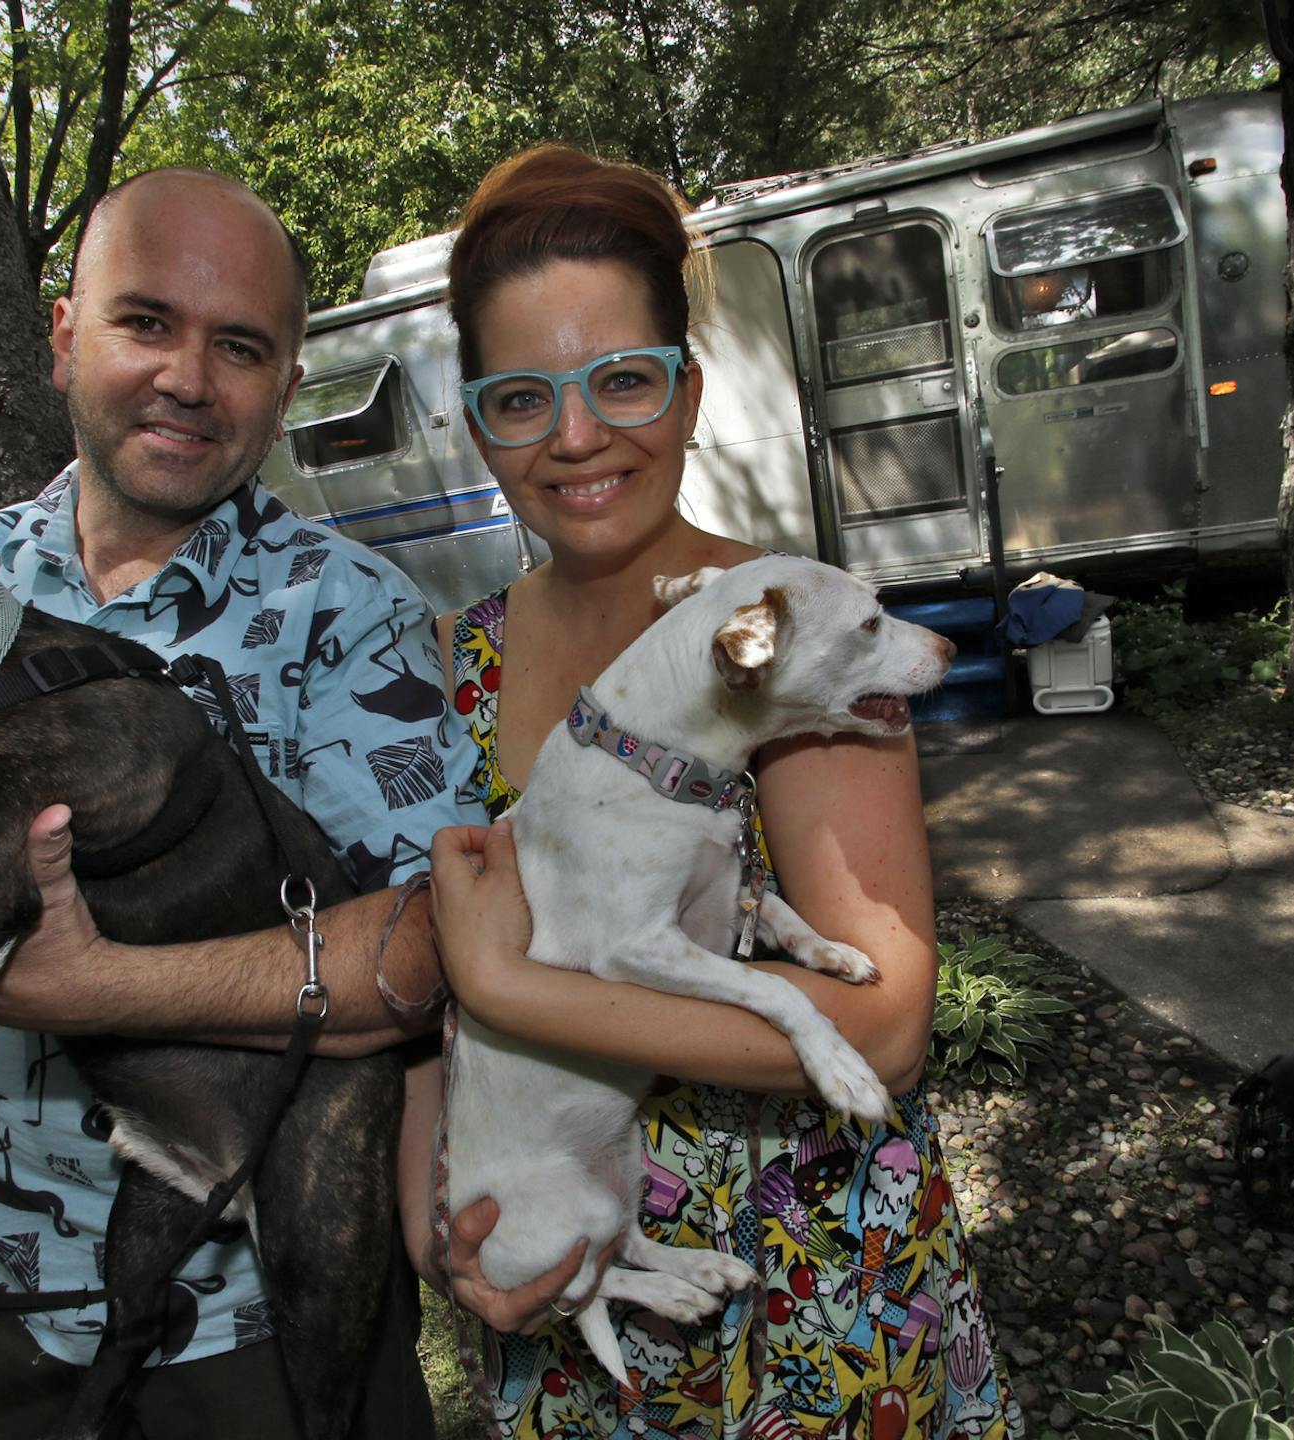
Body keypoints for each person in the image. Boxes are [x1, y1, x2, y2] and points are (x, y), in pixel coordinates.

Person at [407, 146, 1021, 1439]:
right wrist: (439, 1220)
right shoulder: (451, 668)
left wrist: (513, 987)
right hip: (574, 1288)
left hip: (810, 1293)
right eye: (523, 399)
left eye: (622, 380)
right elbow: (426, 1001)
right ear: (477, 424)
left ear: (689, 393)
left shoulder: (790, 633)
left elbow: (890, 1020)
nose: (576, 438)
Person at [0, 166, 479, 1438]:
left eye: (240, 346)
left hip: (274, 1323)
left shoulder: (347, 610)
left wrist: (81, 987)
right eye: (145, 321)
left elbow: (427, 946)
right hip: (13, 1296)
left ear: (286, 386)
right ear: (63, 334)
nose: (189, 379)